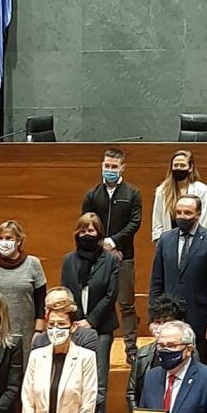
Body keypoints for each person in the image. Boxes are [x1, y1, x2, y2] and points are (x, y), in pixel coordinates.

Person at [60, 212, 119, 413]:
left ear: (99, 234)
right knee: (75, 380)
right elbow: (66, 292)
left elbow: (110, 294)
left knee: (99, 382)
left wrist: (91, 321)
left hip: (101, 328)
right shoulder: (69, 260)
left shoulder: (111, 260)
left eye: (91, 230)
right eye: (83, 230)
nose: (87, 234)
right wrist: (75, 319)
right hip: (74, 327)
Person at [81, 145, 143, 363]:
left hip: (124, 256)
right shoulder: (92, 195)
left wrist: (113, 242)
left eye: (114, 166)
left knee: (126, 304)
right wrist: (102, 245)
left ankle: (131, 349)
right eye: (106, 165)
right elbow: (85, 226)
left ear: (122, 167)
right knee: (97, 301)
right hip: (96, 258)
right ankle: (92, 344)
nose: (109, 169)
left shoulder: (132, 193)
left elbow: (134, 223)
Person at [148, 194, 207, 368]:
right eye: (179, 212)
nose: (182, 216)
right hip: (169, 315)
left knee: (202, 364)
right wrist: (153, 318)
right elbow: (156, 281)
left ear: (198, 214)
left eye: (187, 213)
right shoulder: (165, 239)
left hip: (200, 317)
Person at [0, 219, 47, 362]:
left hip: (24, 331)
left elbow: (40, 298)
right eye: (0, 238)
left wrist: (38, 330)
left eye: (8, 238)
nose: (3, 242)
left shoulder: (33, 263)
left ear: (18, 241)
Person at [151, 149, 207, 242]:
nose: (178, 168)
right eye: (175, 165)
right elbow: (157, 221)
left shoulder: (201, 189)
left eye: (182, 165)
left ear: (190, 168)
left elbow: (203, 219)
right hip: (168, 242)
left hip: (194, 241)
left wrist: (199, 242)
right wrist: (159, 241)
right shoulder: (162, 190)